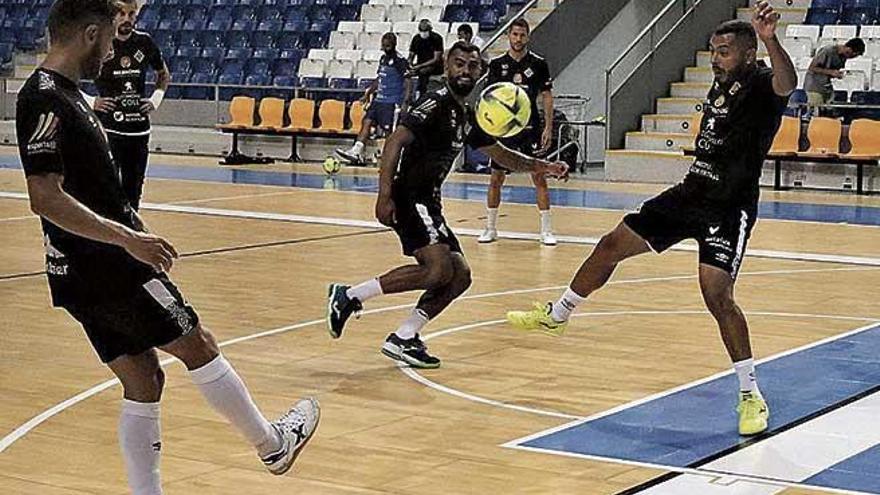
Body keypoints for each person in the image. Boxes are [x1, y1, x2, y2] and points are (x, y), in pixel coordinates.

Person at [16, 1, 319, 493]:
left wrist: (128, 223)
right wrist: (129, 239)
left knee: (143, 380)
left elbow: (89, 188)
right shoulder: (46, 98)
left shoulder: (68, 97)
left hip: (82, 272)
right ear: (91, 33)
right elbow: (43, 196)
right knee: (197, 345)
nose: (115, 50)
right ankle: (272, 445)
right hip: (109, 267)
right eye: (112, 39)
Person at [506, 3, 796, 437]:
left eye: (725, 52)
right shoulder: (718, 88)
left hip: (728, 206)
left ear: (748, 54)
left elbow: (786, 83)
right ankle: (559, 313)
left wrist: (770, 37)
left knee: (716, 294)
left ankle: (750, 393)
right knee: (610, 246)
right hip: (689, 193)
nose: (716, 59)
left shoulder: (758, 83)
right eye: (714, 51)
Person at [325, 42, 568, 369]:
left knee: (460, 276)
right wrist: (384, 195)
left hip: (430, 202)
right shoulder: (435, 102)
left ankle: (405, 336)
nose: (465, 70)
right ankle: (350, 296)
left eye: (472, 66)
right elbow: (395, 141)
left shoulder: (467, 114)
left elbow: (500, 153)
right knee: (438, 269)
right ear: (446, 69)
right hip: (410, 196)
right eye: (459, 64)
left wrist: (542, 167)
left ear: (481, 73)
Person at [477, 18, 557, 246]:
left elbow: (547, 96)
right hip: (504, 131)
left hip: (531, 128)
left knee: (539, 175)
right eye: (514, 35)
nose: (518, 39)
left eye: (522, 35)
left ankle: (546, 230)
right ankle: (490, 228)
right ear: (508, 36)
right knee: (496, 178)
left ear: (528, 37)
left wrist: (548, 126)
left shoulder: (539, 64)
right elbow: (488, 98)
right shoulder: (496, 65)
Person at [84, 0, 170, 210]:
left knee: (134, 192)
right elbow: (66, 79)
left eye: (131, 14)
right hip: (109, 129)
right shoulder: (99, 43)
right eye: (122, 13)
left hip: (138, 130)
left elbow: (163, 74)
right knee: (106, 188)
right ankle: (105, 236)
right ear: (113, 15)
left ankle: (130, 238)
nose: (126, 19)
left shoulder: (145, 42)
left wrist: (155, 99)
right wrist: (92, 101)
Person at [336, 32, 411, 165]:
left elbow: (408, 81)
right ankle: (356, 151)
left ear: (394, 44)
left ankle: (392, 159)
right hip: (378, 101)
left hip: (391, 102)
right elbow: (380, 78)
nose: (385, 47)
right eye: (384, 45)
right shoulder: (383, 59)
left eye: (388, 45)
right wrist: (368, 92)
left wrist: (405, 102)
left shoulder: (400, 61)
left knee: (389, 132)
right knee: (366, 122)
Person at [803, 37, 865, 111]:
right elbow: (812, 68)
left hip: (826, 86)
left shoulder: (843, 57)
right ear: (849, 49)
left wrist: (837, 74)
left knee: (829, 110)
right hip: (814, 86)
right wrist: (831, 72)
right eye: (853, 55)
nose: (852, 57)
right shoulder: (827, 51)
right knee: (817, 111)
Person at [407, 19, 444, 98]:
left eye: (425, 30)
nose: (423, 33)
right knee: (407, 73)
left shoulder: (437, 38)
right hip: (420, 64)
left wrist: (419, 66)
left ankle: (421, 94)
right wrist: (409, 65)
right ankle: (410, 96)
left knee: (423, 71)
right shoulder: (416, 39)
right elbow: (411, 55)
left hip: (435, 66)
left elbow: (436, 59)